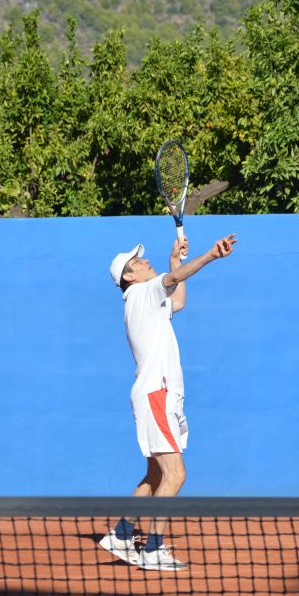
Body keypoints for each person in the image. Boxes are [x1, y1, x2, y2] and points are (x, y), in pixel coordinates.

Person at [100, 233, 238, 572]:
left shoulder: (145, 299)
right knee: (175, 474)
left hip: (158, 394)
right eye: (138, 261)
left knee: (155, 474)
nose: (146, 261)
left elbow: (178, 302)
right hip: (157, 393)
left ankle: (121, 534)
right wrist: (210, 255)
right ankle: (153, 549)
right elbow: (173, 280)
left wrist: (175, 260)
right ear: (129, 276)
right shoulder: (142, 292)